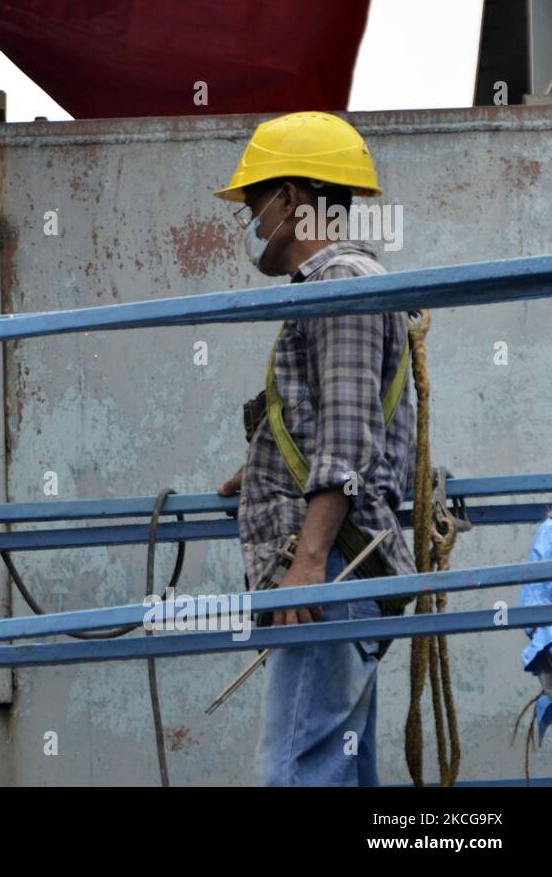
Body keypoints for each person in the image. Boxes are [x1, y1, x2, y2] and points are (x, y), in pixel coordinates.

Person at [214, 112, 415, 786]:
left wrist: (305, 564)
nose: (250, 221)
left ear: (292, 199)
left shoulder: (340, 285)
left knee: (294, 772)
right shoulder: (345, 286)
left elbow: (351, 441)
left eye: (253, 203)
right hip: (340, 569)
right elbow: (342, 423)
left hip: (330, 569)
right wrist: (271, 456)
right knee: (339, 771)